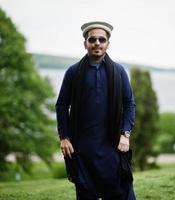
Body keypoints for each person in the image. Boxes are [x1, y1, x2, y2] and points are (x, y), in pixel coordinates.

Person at [55, 21, 136, 200]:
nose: (97, 43)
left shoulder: (119, 72)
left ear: (108, 43)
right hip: (83, 149)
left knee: (122, 192)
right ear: (85, 43)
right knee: (86, 194)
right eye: (92, 39)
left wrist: (125, 134)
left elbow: (129, 104)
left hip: (112, 146)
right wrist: (64, 137)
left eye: (102, 39)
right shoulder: (73, 72)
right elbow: (61, 105)